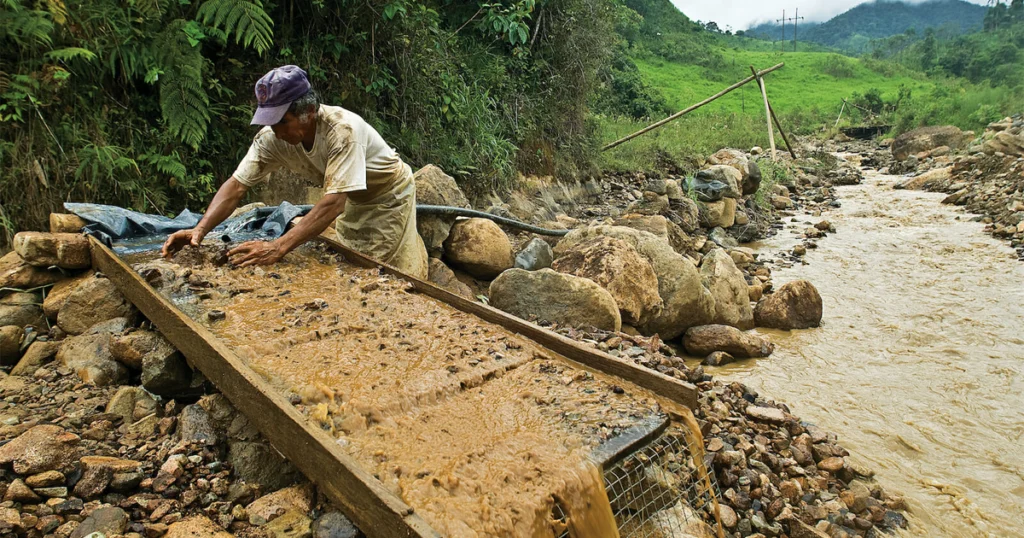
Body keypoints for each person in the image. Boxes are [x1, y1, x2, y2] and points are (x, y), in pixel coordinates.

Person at [161, 65, 428, 278]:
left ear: (309, 111)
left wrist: (277, 247)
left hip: (387, 195)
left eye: (282, 122)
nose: (276, 131)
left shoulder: (343, 132)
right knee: (351, 263)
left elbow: (334, 203)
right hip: (354, 197)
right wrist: (200, 229)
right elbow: (236, 186)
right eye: (270, 122)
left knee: (385, 272)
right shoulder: (271, 138)